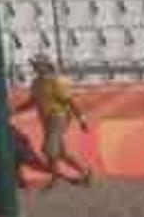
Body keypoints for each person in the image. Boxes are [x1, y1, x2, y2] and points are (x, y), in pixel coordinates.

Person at [16, 56, 93, 188]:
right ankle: (84, 172)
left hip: (58, 117)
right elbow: (32, 101)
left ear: (46, 65)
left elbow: (70, 101)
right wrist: (15, 109)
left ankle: (54, 178)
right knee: (61, 152)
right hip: (46, 119)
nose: (34, 66)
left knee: (48, 148)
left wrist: (82, 120)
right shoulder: (36, 83)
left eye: (37, 64)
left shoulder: (55, 81)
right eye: (34, 64)